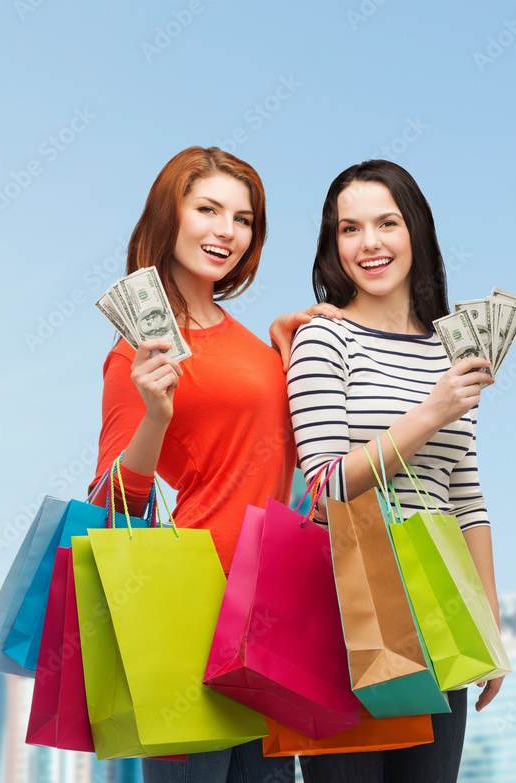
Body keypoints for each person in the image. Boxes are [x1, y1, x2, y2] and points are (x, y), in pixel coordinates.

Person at [88, 146, 338, 783]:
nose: (226, 231)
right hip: (196, 606)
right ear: (168, 216)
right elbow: (112, 507)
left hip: (274, 608)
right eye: (207, 209)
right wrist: (154, 415)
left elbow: (285, 456)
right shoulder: (138, 353)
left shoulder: (253, 343)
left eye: (244, 218)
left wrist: (289, 351)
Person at [287, 160, 505, 783]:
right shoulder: (324, 340)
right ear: (333, 246)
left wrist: (486, 622)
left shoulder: (450, 350)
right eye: (349, 229)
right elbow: (326, 485)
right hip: (347, 607)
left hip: (439, 606)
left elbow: (466, 496)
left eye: (387, 223)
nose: (370, 243)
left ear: (417, 231)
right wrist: (433, 410)